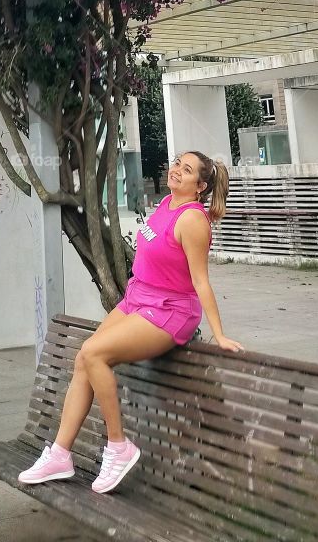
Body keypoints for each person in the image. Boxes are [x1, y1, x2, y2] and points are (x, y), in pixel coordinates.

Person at [18, 149, 243, 495]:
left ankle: (119, 447)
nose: (176, 171)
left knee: (94, 354)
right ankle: (61, 455)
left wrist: (220, 334)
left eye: (186, 170)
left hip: (170, 310)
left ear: (199, 186)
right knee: (83, 358)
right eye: (176, 164)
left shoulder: (192, 220)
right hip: (139, 298)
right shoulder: (166, 205)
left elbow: (200, 282)